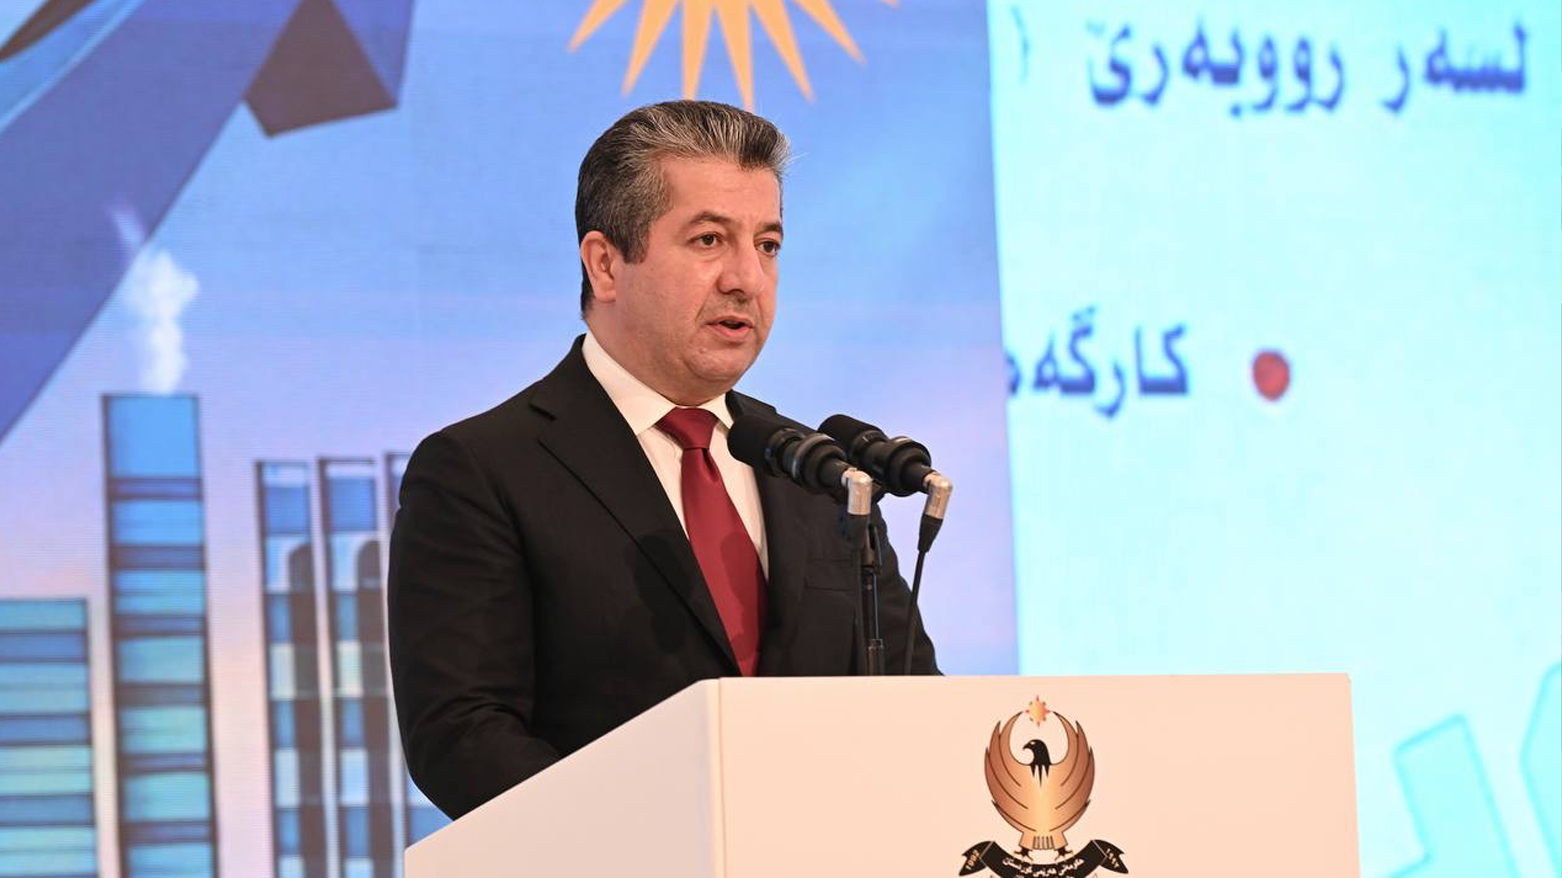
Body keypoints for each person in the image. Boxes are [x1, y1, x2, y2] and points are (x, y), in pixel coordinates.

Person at [387, 100, 938, 820]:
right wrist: (664, 847)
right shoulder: (481, 473)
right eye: (709, 240)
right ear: (605, 264)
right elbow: (463, 738)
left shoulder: (818, 472)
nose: (747, 278)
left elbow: (915, 703)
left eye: (768, 244)